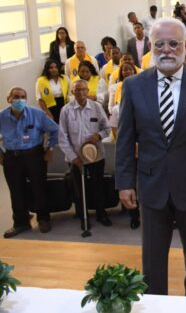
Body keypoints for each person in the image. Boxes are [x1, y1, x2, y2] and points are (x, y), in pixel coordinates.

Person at [116, 17, 186, 297]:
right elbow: (125, 139)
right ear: (151, 46)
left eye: (174, 44)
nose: (166, 50)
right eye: (159, 44)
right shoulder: (134, 86)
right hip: (151, 185)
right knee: (152, 262)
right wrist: (125, 182)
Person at [0, 87, 59, 238]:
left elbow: (55, 130)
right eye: (16, 97)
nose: (19, 100)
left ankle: (43, 218)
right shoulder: (2, 116)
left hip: (34, 155)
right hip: (12, 157)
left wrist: (50, 149)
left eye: (22, 97)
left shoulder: (37, 114)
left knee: (39, 186)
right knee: (16, 190)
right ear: (9, 99)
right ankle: (21, 222)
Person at [58, 79, 112, 229]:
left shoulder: (96, 107)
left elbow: (106, 128)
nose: (81, 93)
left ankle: (101, 213)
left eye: (83, 90)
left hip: (96, 155)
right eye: (77, 90)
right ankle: (83, 216)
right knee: (78, 188)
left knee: (98, 186)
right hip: (75, 157)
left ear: (88, 91)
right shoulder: (66, 110)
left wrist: (99, 136)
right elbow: (63, 137)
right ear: (72, 92)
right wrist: (73, 157)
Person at [36, 59, 70, 123]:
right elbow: (39, 99)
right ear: (47, 69)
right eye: (51, 68)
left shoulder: (65, 78)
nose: (54, 69)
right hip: (50, 108)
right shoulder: (40, 81)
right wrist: (47, 112)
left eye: (56, 67)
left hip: (64, 105)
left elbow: (70, 93)